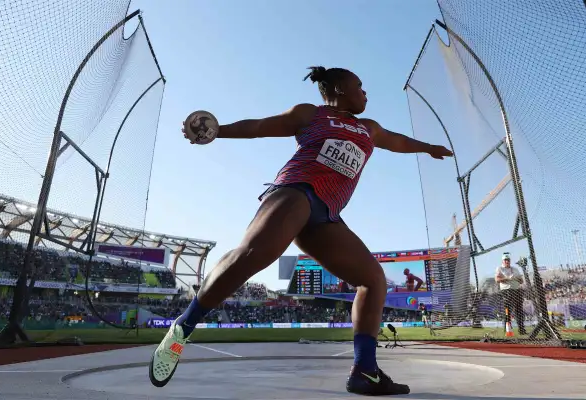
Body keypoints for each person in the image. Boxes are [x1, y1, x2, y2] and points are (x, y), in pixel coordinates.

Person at [149, 66, 453, 395]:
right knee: (254, 256)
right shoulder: (310, 114)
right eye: (360, 87)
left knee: (373, 279)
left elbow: (398, 141)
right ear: (338, 89)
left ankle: (365, 370)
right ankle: (184, 326)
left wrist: (427, 147)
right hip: (297, 191)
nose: (366, 93)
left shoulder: (370, 128)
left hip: (327, 213)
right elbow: (261, 127)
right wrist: (217, 131)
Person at [495, 252, 526, 335]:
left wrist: (516, 278)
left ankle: (522, 329)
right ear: (502, 261)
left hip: (517, 290)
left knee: (519, 310)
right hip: (506, 291)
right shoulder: (500, 268)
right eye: (505, 260)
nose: (507, 261)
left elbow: (521, 281)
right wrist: (507, 278)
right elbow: (497, 279)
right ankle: (507, 329)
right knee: (507, 310)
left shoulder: (515, 269)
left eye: (508, 260)